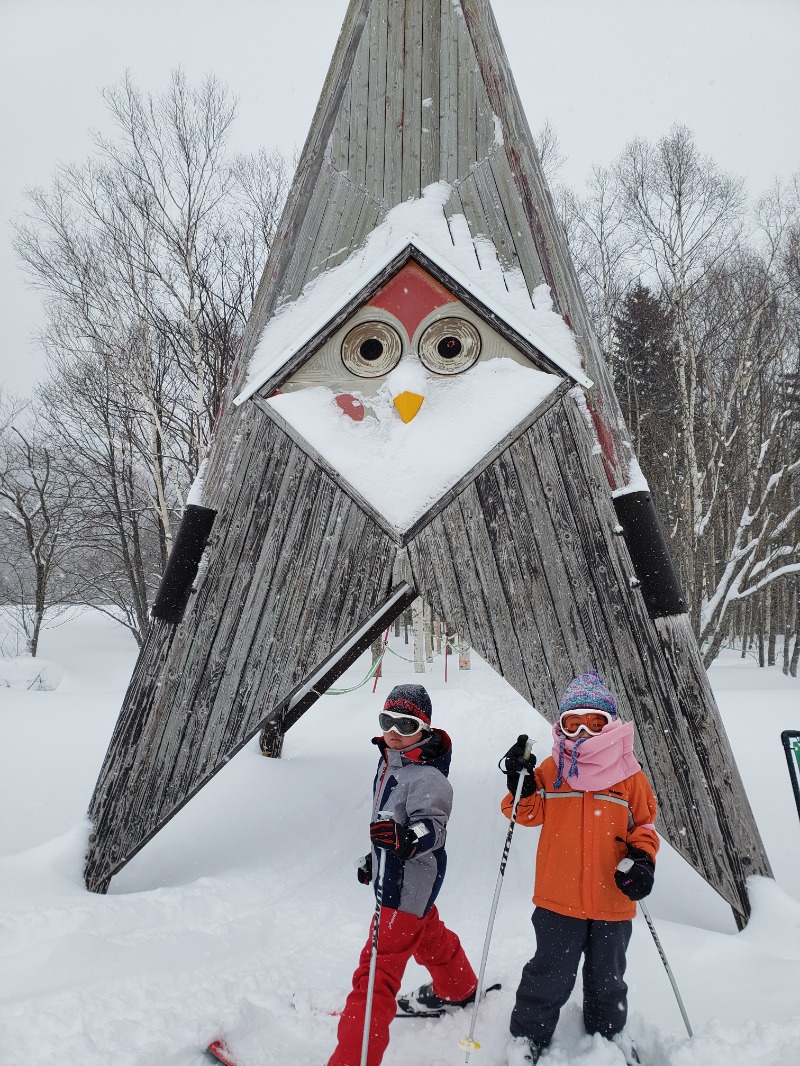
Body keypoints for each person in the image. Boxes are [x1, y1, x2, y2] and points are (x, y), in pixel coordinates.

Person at [499, 670, 658, 1066]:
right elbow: (525, 813)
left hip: (612, 899)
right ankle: (527, 1039)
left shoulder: (630, 776)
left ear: (610, 725)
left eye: (594, 722)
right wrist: (520, 782)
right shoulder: (554, 770)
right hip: (558, 898)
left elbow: (645, 828)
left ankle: (608, 1036)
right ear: (561, 726)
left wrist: (643, 861)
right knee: (548, 975)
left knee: (608, 979)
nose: (584, 732)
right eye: (574, 723)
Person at [327, 683, 478, 1066]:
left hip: (401, 891)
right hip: (407, 884)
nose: (394, 731)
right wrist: (374, 858)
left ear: (424, 730)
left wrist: (408, 838)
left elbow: (433, 828)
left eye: (406, 724)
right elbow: (388, 824)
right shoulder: (390, 762)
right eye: (387, 720)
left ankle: (353, 1058)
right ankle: (459, 988)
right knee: (428, 935)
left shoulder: (428, 778)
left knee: (375, 977)